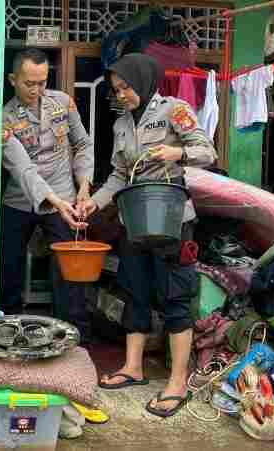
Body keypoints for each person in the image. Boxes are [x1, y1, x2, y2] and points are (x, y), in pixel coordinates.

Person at [80, 53, 217, 418]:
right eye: (116, 89)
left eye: (125, 88)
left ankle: (177, 381)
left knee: (175, 296)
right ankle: (133, 368)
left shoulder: (175, 110)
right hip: (135, 220)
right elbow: (119, 176)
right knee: (134, 292)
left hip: (173, 220)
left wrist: (178, 152)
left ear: (142, 81)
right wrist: (94, 204)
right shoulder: (121, 124)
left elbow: (208, 151)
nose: (121, 95)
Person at [0, 49, 94, 343]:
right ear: (13, 79)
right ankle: (10, 332)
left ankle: (70, 336)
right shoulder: (4, 118)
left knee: (68, 272)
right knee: (9, 268)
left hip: (65, 196)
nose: (37, 90)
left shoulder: (63, 104)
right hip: (21, 200)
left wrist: (84, 185)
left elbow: (83, 144)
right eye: (30, 83)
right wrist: (55, 200)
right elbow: (24, 169)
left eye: (42, 82)